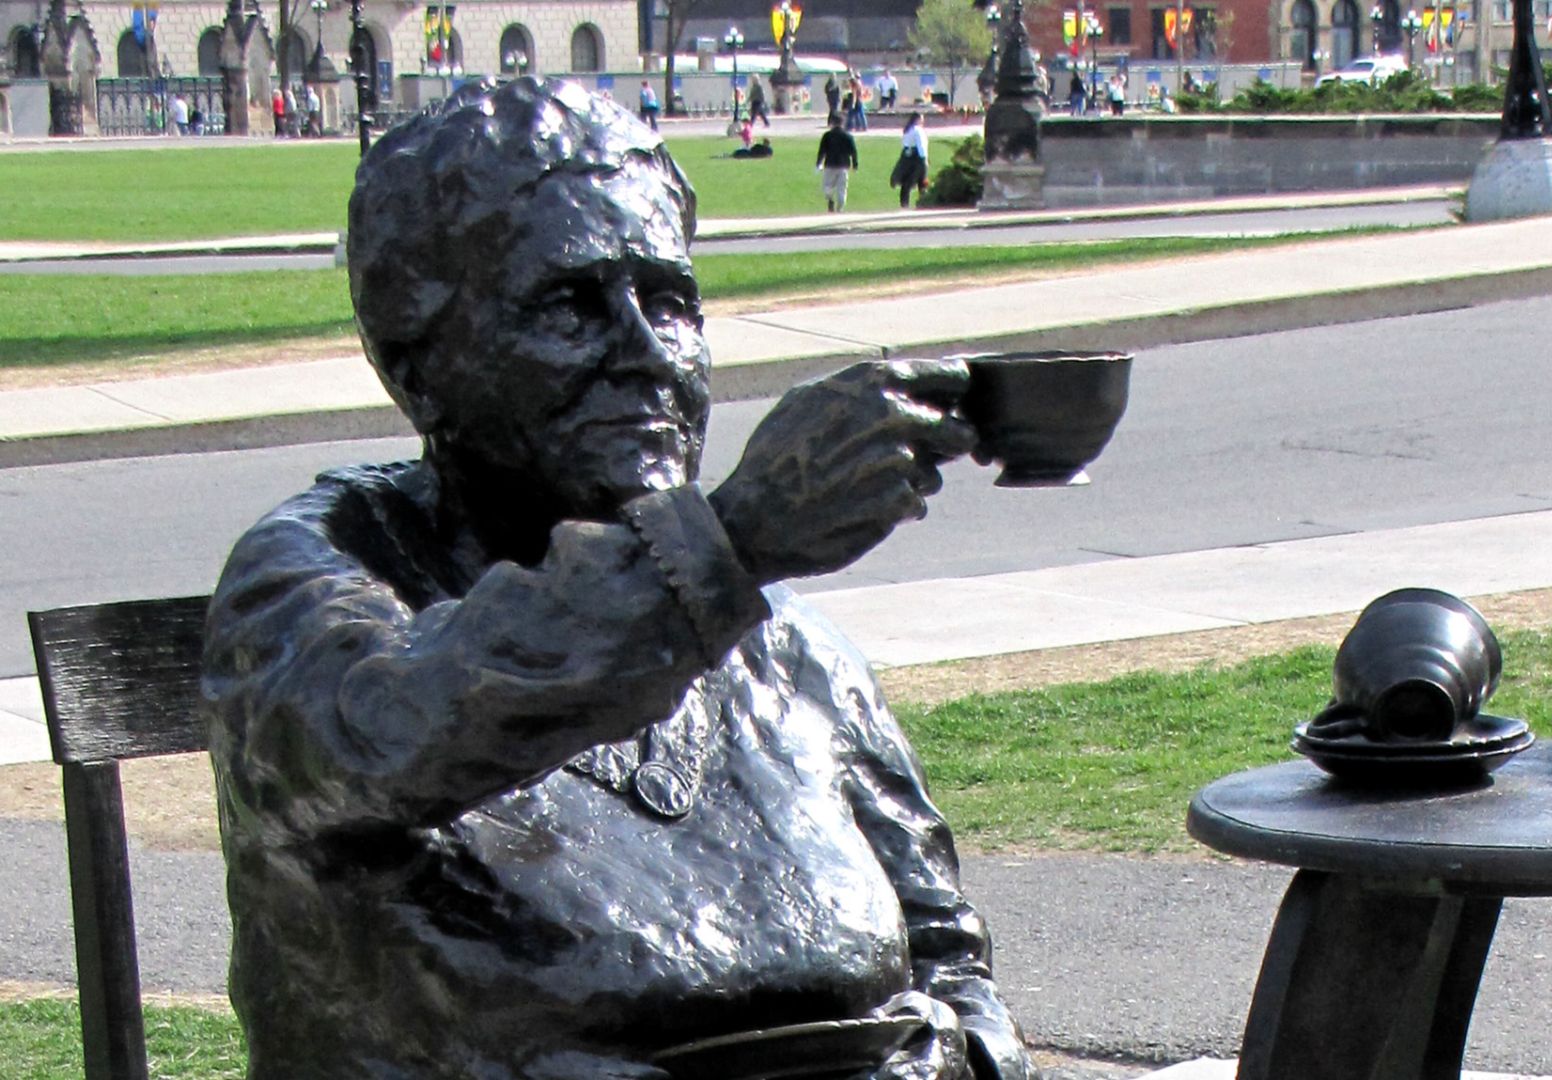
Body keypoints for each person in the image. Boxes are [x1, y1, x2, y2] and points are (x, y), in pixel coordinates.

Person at [204, 78, 1031, 1080]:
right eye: (569, 307)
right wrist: (724, 546)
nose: (645, 354)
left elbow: (954, 965)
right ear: (417, 364)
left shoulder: (785, 647)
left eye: (671, 303)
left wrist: (956, 1056)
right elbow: (407, 727)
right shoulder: (311, 580)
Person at [816, 109, 858, 211]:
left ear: (832, 123)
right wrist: (855, 164)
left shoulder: (827, 136)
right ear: (843, 123)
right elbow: (853, 152)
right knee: (842, 189)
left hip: (830, 165)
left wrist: (818, 163)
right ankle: (840, 208)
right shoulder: (848, 137)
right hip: (843, 166)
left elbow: (822, 151)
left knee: (827, 186)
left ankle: (830, 199)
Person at [890, 112, 928, 210]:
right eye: (921, 119)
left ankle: (904, 204)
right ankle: (924, 203)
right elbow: (921, 146)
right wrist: (924, 159)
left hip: (907, 157)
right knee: (922, 182)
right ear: (917, 119)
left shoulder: (908, 129)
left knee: (907, 182)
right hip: (917, 158)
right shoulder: (918, 130)